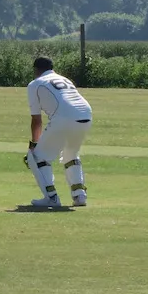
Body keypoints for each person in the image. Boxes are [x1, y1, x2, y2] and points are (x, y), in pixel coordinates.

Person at [24, 56, 92, 208]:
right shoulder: (64, 79)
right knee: (71, 154)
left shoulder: (35, 84)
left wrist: (35, 144)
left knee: (37, 157)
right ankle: (79, 195)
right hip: (86, 116)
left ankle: (51, 197)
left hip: (64, 117)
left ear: (36, 70)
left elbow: (36, 120)